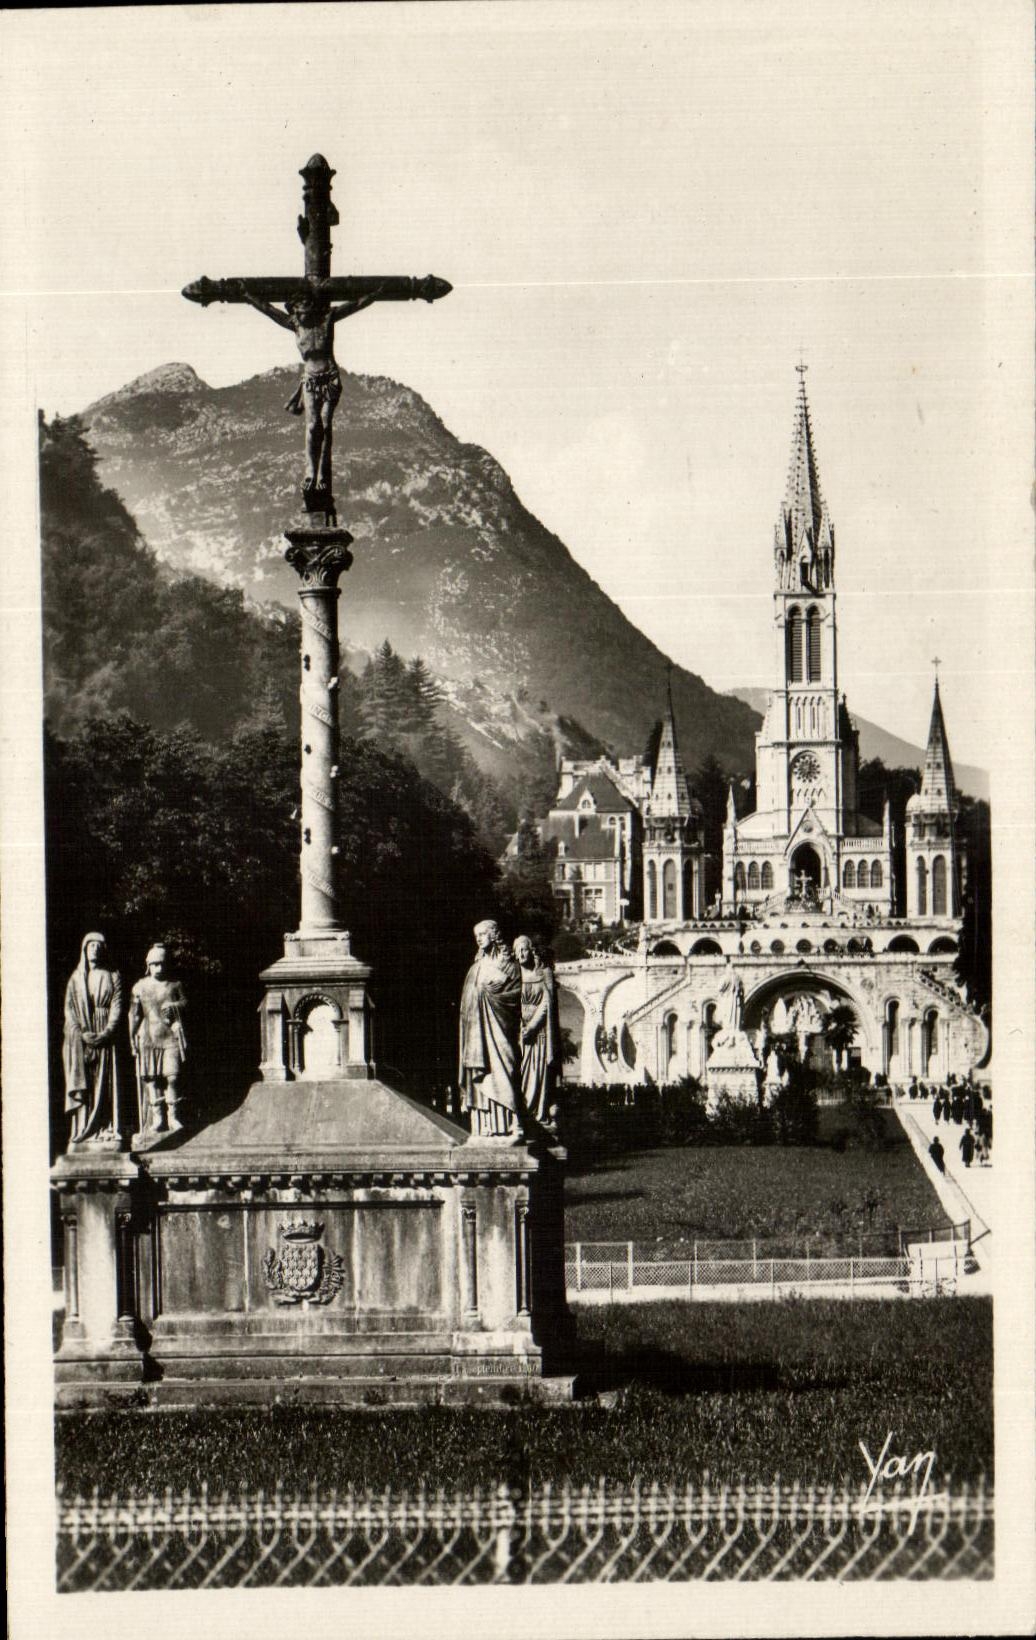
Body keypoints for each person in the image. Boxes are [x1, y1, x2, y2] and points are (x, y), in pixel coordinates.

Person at [232, 281, 379, 505]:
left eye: (307, 306)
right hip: (310, 380)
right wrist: (247, 295)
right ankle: (311, 470)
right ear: (294, 309)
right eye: (299, 308)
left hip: (329, 376)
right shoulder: (294, 324)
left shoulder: (326, 319)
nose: (303, 311)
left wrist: (376, 292)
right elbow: (268, 309)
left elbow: (355, 305)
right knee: (312, 426)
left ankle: (321, 473)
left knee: (326, 424)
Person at [458, 920, 523, 1142]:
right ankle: (484, 1126)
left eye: (483, 934)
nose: (479, 938)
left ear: (494, 935)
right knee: (483, 1075)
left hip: (499, 1028)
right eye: (476, 935)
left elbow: (514, 995)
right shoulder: (475, 969)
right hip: (477, 1032)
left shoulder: (510, 965)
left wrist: (488, 994)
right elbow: (465, 1006)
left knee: (505, 1068)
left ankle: (512, 1124)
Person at [63, 932, 124, 1148]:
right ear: (84, 950)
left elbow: (117, 1006)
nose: (95, 950)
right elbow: (69, 1010)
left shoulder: (113, 975)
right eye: (91, 946)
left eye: (99, 946)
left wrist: (106, 1032)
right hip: (83, 1037)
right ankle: (82, 1130)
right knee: (86, 1083)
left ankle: (106, 1128)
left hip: (105, 1034)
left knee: (105, 1083)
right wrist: (81, 1033)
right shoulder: (76, 979)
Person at [129, 944, 188, 1135]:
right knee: (152, 1079)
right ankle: (158, 1118)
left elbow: (186, 1004)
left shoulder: (175, 985)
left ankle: (173, 1116)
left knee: (172, 1077)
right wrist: (131, 1036)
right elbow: (135, 1014)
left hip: (170, 1036)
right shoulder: (140, 987)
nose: (159, 968)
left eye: (162, 964)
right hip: (148, 1037)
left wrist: (175, 1005)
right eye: (155, 964)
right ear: (148, 965)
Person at [513, 934, 561, 1126]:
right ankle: (523, 1115)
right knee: (520, 1074)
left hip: (539, 1033)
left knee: (538, 1076)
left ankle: (539, 1115)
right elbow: (510, 1003)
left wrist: (532, 1026)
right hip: (519, 1034)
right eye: (517, 951)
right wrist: (520, 1026)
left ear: (531, 950)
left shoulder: (544, 973)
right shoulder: (514, 976)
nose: (520, 954)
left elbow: (548, 1003)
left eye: (524, 949)